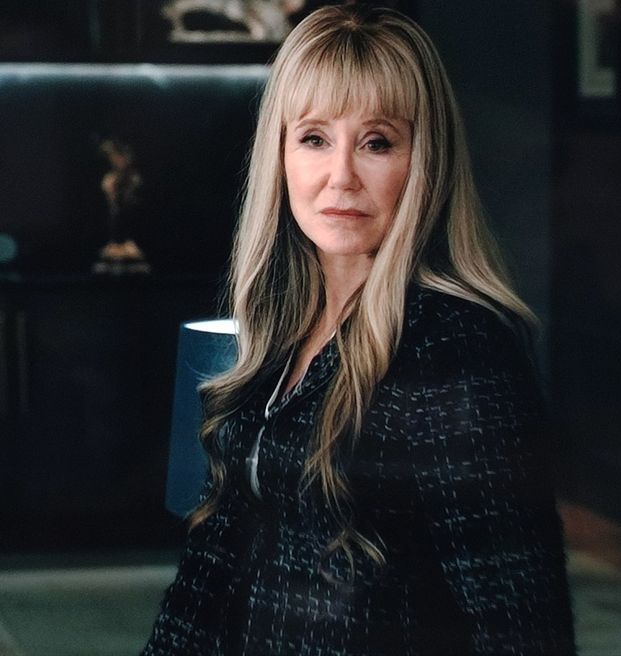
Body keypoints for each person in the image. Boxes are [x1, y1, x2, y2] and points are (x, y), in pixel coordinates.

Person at [142, 4, 576, 654]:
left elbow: (522, 626)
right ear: (281, 153)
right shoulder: (277, 330)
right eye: (315, 138)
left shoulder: (457, 346)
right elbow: (211, 568)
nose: (340, 176)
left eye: (377, 142)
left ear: (422, 159)